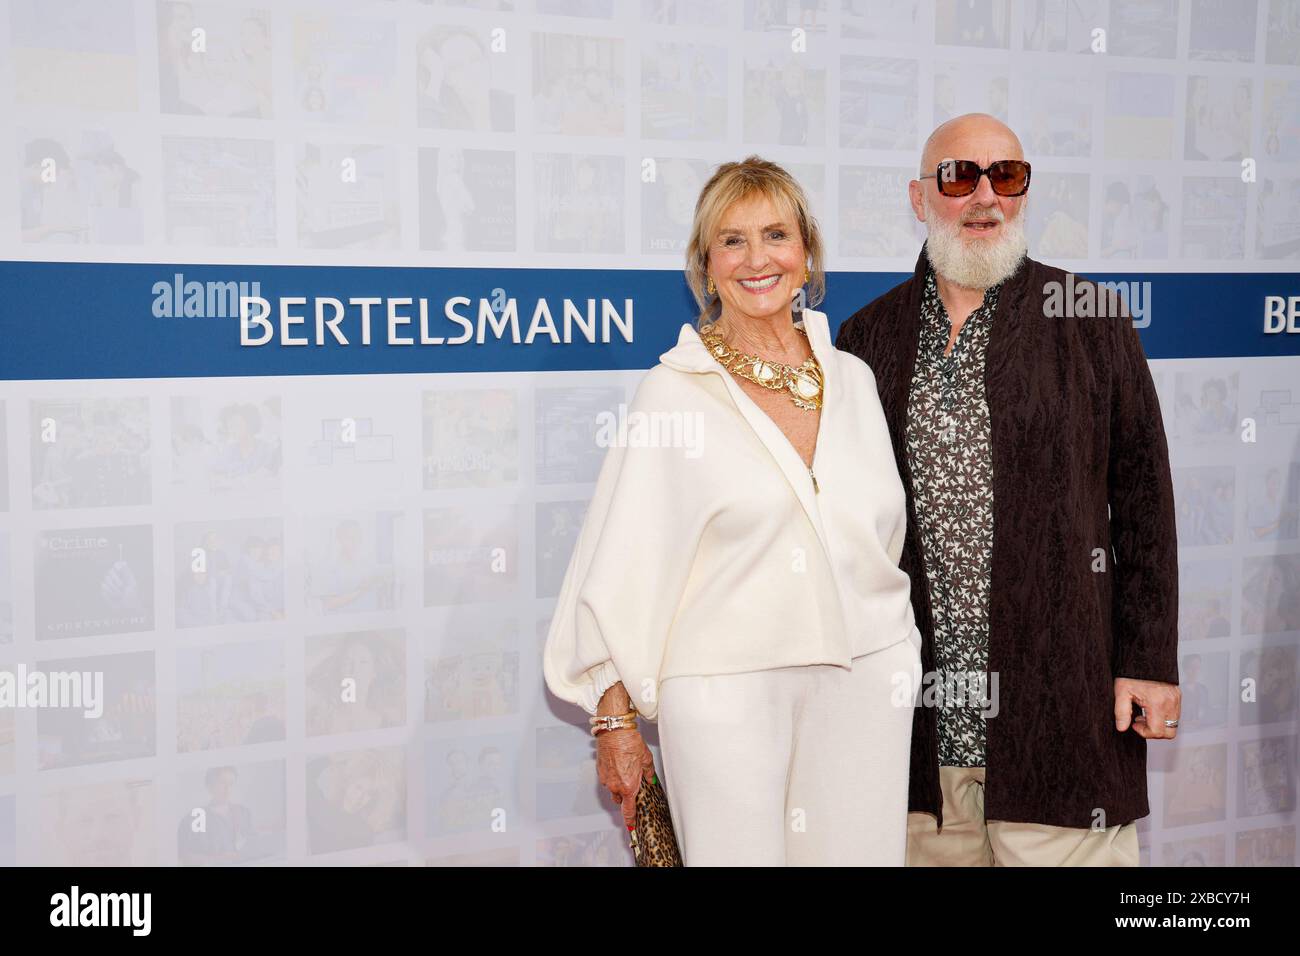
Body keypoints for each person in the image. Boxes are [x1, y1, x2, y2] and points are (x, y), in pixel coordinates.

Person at [543, 156, 921, 866]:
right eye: (732, 240)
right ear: (705, 265)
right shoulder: (674, 392)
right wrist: (615, 718)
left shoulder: (854, 379)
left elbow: (883, 535)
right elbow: (621, 564)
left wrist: (896, 647)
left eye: (775, 235)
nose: (757, 259)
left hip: (866, 681)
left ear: (806, 253)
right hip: (724, 692)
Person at [837, 113, 1181, 867]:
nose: (984, 196)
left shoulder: (1089, 320)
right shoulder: (866, 339)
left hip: (1063, 717)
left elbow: (1145, 500)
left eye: (1008, 176)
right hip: (918, 737)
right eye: (959, 176)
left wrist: (1149, 660)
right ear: (919, 196)